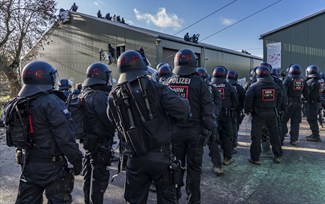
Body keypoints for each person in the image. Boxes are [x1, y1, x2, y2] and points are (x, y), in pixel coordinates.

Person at [107, 50, 190, 203]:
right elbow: (183, 110)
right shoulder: (158, 88)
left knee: (135, 200)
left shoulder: (113, 95)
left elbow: (112, 119)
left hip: (134, 157)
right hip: (160, 157)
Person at [5, 61, 82, 203]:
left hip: (28, 164)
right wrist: (77, 161)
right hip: (52, 167)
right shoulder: (51, 102)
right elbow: (66, 138)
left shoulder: (19, 102)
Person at [163, 49, 217, 203]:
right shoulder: (200, 83)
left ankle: (174, 197)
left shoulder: (168, 82)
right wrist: (212, 130)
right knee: (194, 170)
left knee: (174, 167)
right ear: (194, 63)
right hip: (195, 134)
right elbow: (208, 109)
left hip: (174, 133)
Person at [80, 62, 115, 203]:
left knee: (88, 176)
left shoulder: (85, 94)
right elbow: (109, 120)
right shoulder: (100, 96)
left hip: (89, 142)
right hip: (100, 144)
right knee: (99, 179)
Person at [244, 66, 283, 165]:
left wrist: (248, 110)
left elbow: (248, 100)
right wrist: (275, 108)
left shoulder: (254, 86)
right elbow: (280, 98)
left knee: (256, 137)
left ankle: (255, 158)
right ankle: (278, 156)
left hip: (258, 114)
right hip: (272, 114)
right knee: (275, 135)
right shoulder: (275, 86)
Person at [197, 67, 223, 175]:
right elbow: (218, 103)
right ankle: (218, 166)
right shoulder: (212, 87)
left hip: (198, 121)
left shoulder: (194, 86)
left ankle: (198, 167)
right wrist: (214, 114)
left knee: (198, 146)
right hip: (210, 119)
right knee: (213, 143)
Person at [211, 66, 238, 165]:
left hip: (214, 114)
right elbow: (235, 101)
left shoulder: (210, 85)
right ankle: (227, 158)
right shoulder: (228, 86)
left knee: (214, 136)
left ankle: (215, 159)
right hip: (227, 115)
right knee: (227, 136)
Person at [281, 64, 309, 146]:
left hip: (288, 103)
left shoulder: (288, 80)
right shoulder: (302, 80)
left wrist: (283, 103)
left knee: (283, 120)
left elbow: (283, 93)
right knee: (295, 122)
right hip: (298, 103)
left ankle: (281, 137)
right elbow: (306, 93)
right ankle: (294, 140)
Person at [226, 69, 245, 153]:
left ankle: (223, 145)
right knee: (234, 129)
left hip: (222, 112)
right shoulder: (239, 88)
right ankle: (232, 145)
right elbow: (243, 100)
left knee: (223, 129)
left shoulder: (222, 86)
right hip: (235, 112)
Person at [305, 65, 323, 142]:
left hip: (312, 103)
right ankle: (314, 134)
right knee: (313, 118)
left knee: (312, 119)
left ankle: (316, 135)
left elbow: (306, 92)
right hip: (316, 102)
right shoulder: (317, 81)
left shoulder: (310, 81)